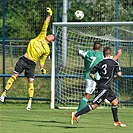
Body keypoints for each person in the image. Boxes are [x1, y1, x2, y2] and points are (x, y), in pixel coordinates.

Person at [0, 7, 55, 111]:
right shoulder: (41, 36)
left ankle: (29, 102)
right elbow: (46, 24)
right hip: (23, 60)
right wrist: (50, 15)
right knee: (14, 75)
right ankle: (4, 94)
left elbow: (42, 60)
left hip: (31, 64)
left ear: (52, 41)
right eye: (50, 34)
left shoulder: (47, 50)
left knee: (31, 81)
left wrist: (42, 68)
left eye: (51, 36)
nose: (49, 35)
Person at [71, 47, 126, 127]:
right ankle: (76, 115)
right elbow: (119, 74)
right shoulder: (114, 63)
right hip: (105, 88)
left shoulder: (100, 63)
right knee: (94, 105)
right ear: (110, 54)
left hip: (105, 87)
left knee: (115, 102)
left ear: (103, 54)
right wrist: (115, 78)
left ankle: (116, 121)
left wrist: (96, 81)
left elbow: (91, 74)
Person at [76, 42, 122, 112]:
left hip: (88, 75)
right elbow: (112, 60)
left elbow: (78, 52)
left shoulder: (88, 52)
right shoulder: (102, 55)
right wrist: (118, 54)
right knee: (88, 95)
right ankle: (77, 113)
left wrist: (85, 59)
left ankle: (104, 98)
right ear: (101, 49)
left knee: (102, 90)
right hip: (93, 77)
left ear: (93, 47)